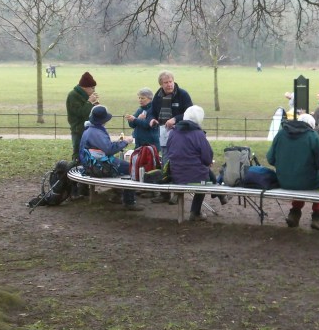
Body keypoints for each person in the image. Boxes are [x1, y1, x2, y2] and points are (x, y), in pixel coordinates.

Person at [166, 105, 227, 221]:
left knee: (203, 171)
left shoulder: (173, 132)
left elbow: (169, 151)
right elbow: (207, 158)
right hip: (196, 178)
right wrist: (207, 162)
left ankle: (219, 193)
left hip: (176, 175)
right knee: (203, 178)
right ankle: (196, 212)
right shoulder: (198, 134)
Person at [267, 113, 319, 230]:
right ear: (311, 125)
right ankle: (318, 215)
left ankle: (294, 212)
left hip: (283, 180)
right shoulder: (313, 136)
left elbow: (270, 158)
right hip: (308, 182)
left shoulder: (281, 134)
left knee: (300, 179)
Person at [79, 105, 143, 211]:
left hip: (90, 164)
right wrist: (125, 142)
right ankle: (129, 201)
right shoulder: (96, 132)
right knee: (131, 168)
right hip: (98, 166)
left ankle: (117, 194)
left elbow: (103, 147)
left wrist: (118, 143)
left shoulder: (90, 129)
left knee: (122, 165)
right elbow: (109, 150)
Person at [149, 70, 193, 204]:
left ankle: (178, 193)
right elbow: (152, 112)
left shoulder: (183, 94)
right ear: (161, 84)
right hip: (164, 134)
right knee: (165, 163)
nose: (169, 85)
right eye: (166, 82)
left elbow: (190, 112)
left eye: (170, 81)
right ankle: (165, 194)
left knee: (178, 162)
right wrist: (152, 119)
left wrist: (175, 119)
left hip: (180, 134)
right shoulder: (157, 96)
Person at [66, 72, 99, 199]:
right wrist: (90, 103)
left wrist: (96, 106)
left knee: (88, 158)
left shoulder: (85, 96)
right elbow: (80, 113)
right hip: (78, 131)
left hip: (88, 130)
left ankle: (84, 188)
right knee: (78, 158)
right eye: (92, 88)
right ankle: (73, 189)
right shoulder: (73, 96)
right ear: (85, 87)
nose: (93, 90)